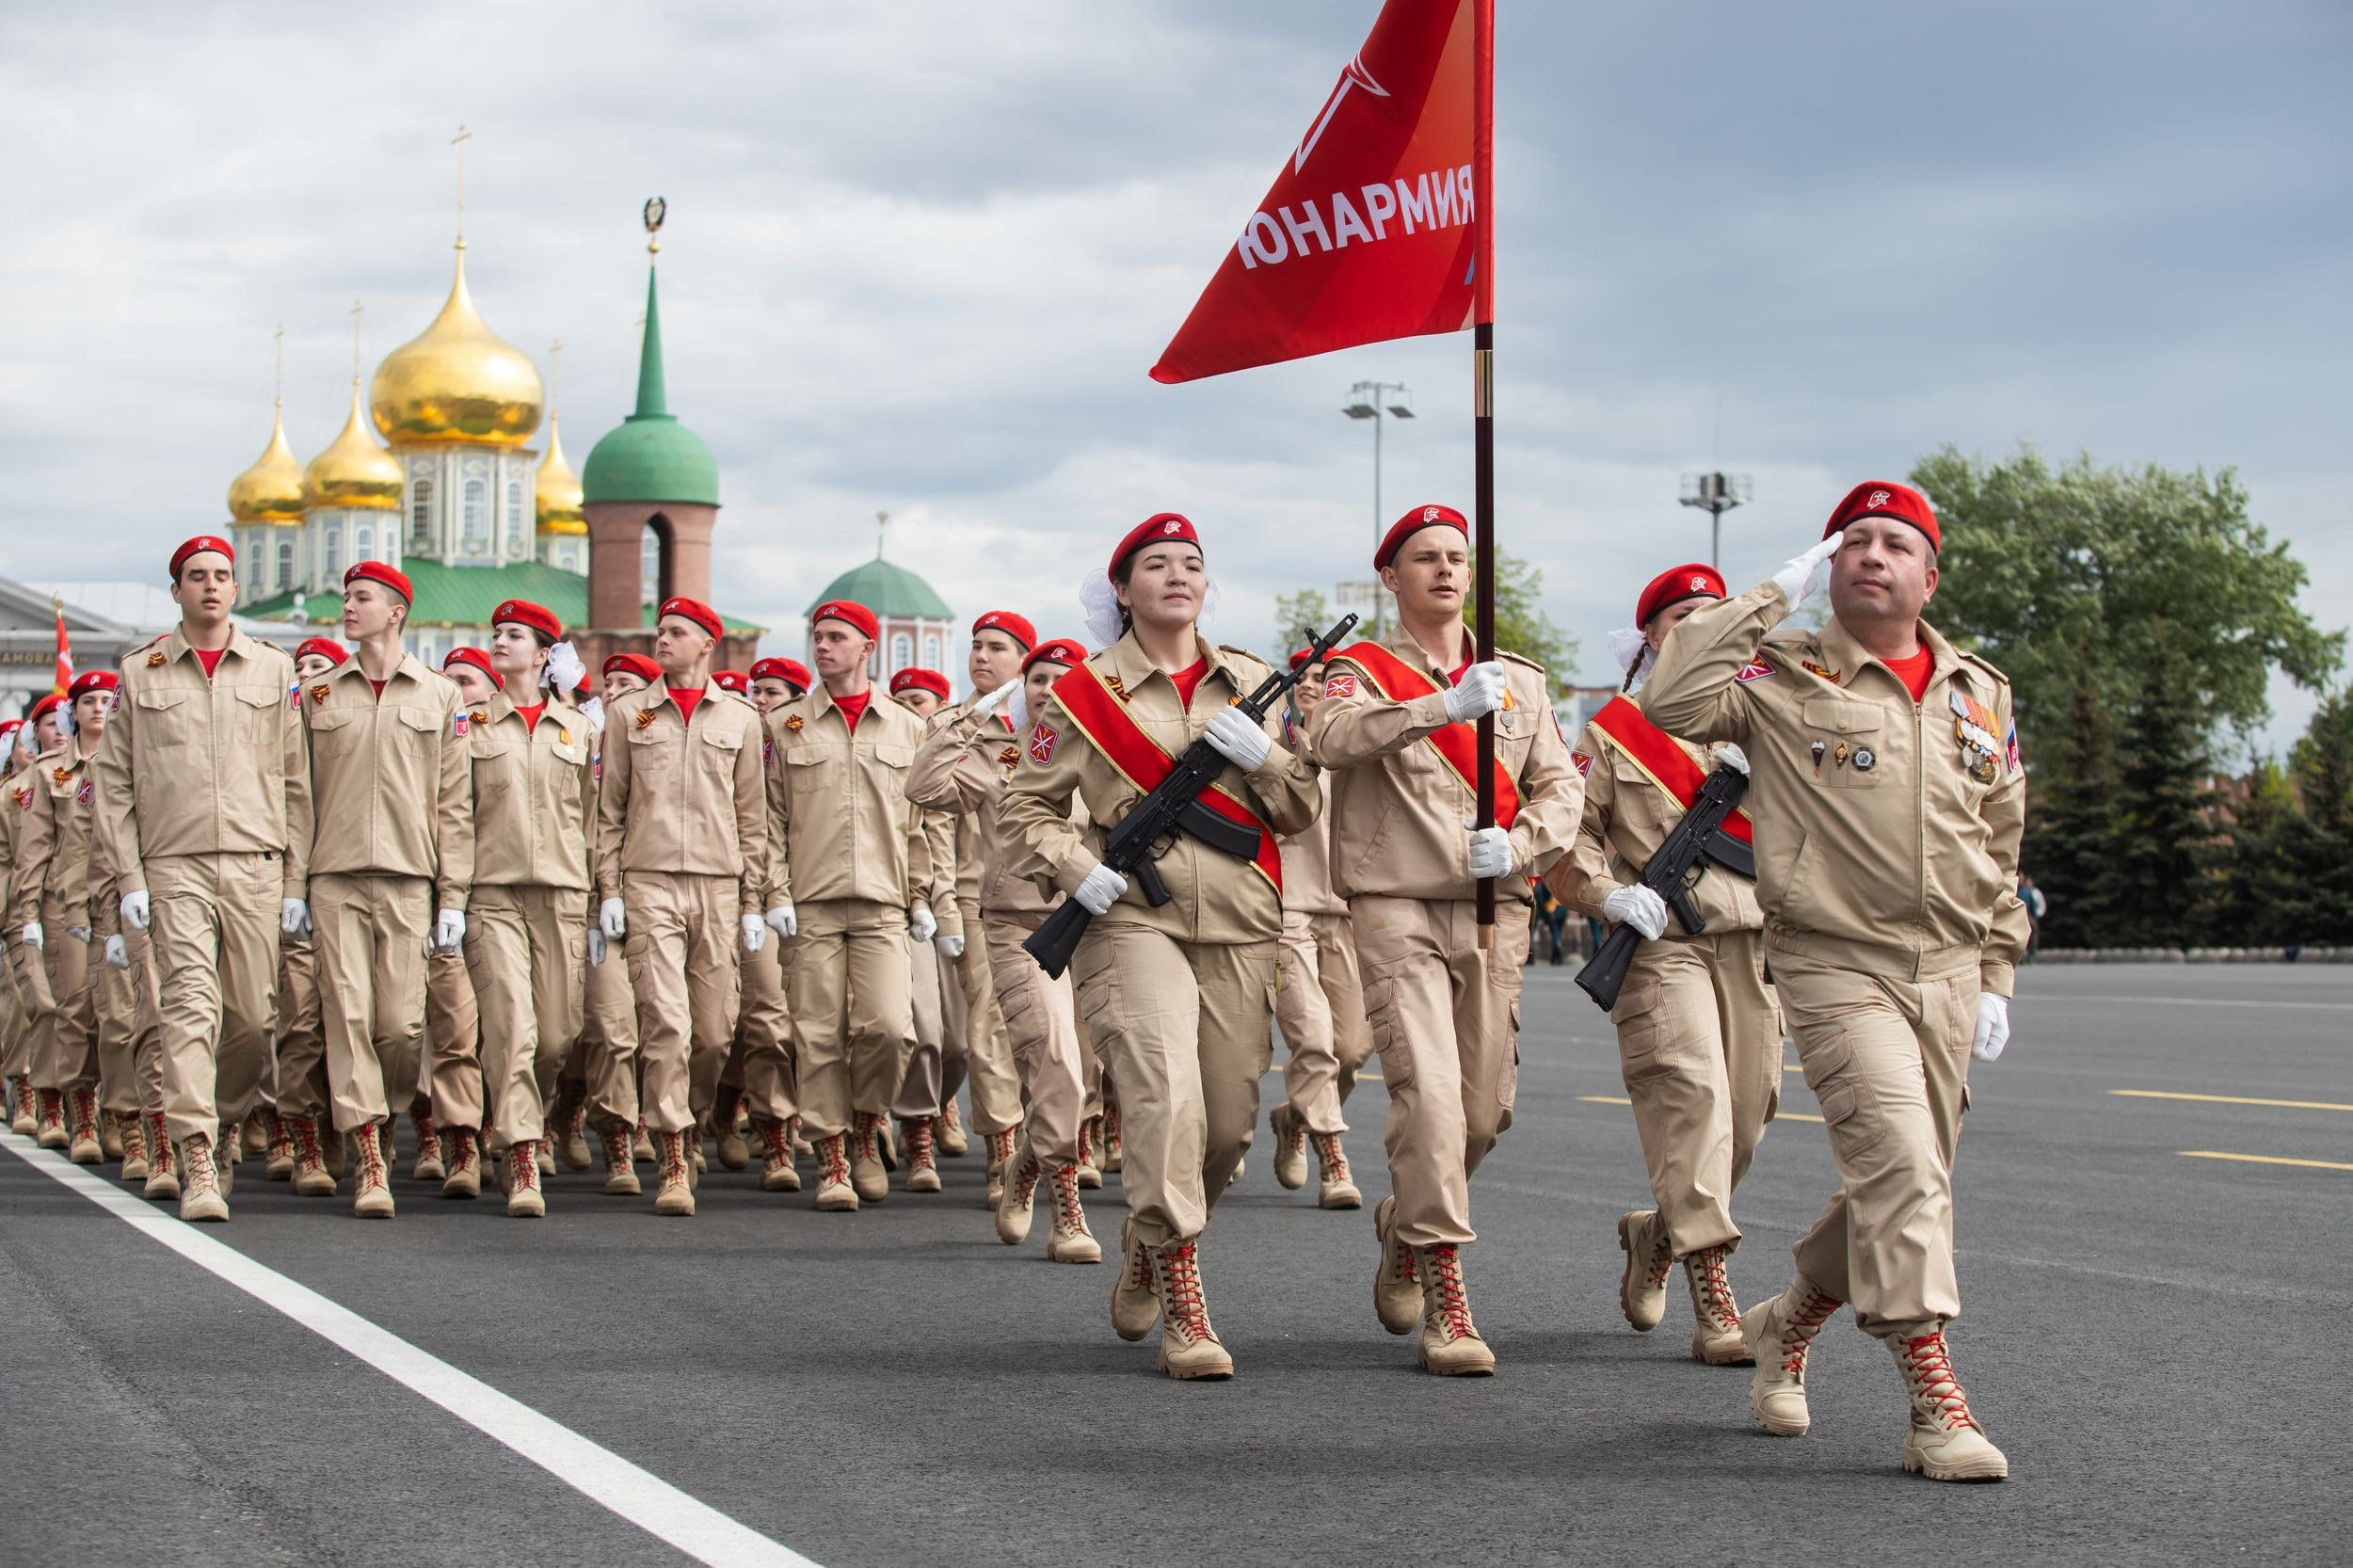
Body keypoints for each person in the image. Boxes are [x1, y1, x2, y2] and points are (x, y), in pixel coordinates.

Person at [1641, 480, 2028, 1483]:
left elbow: (1999, 837)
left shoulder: (1977, 692)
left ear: (1927, 576)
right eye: (1851, 540)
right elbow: (1668, 698)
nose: (1869, 553)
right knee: (1902, 1168)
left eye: (1894, 543)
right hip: (1833, 961)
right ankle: (1933, 1400)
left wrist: (1995, 970)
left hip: (1946, 970)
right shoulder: (1782, 673)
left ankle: (1786, 1321)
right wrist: (1769, 593)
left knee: (1902, 1180)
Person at [1001, 514, 1321, 1378]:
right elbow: (1023, 811)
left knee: (1223, 1126)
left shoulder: (1253, 681)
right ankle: (1183, 1283)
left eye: (1192, 564)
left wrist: (1266, 760)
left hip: (1244, 923)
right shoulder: (1081, 695)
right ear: (1122, 587)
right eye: (1156, 564)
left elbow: (1299, 811)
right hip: (1131, 918)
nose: (1178, 576)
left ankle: (1146, 1243)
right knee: (1163, 1095)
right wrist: (1078, 869)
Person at [1305, 504, 1584, 1376]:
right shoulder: (1356, 668)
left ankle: (1406, 1232)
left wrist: (1527, 842)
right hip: (1395, 905)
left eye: (1457, 557)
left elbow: (1561, 787)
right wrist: (1438, 707)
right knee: (1426, 1099)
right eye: (1424, 558)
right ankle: (1447, 1289)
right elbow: (1328, 738)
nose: (1444, 570)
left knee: (1480, 1112)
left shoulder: (1521, 682)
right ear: (1391, 577)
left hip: (1496, 908)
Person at [1550, 562, 1779, 1366]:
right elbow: (1566, 836)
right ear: (1649, 635)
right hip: (1662, 947)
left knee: (1743, 1123)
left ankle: (1659, 1234)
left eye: (1712, 614)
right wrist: (1608, 895)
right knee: (1695, 1102)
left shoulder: (1765, 717)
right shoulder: (1614, 730)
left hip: (1754, 942)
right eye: (1680, 616)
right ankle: (1714, 1290)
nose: (1696, 626)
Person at [94, 536, 311, 1224]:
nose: (210, 587)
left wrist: (295, 881)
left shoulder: (273, 672)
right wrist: (130, 875)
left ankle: (220, 1122)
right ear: (177, 591)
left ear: (236, 590)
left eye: (221, 576)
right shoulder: (143, 672)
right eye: (197, 577)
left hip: (254, 865)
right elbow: (114, 783)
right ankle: (193, 1153)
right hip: (173, 866)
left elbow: (295, 784)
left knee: (251, 1017)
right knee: (189, 1008)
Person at [908, 634, 1101, 1260]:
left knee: (1093, 1069)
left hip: (1101, 926)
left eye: (1062, 678)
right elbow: (925, 786)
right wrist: (974, 716)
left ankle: (1027, 1160)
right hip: (1022, 927)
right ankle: (1067, 1209)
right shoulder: (999, 753)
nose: (1050, 689)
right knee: (1055, 1060)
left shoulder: (1109, 750)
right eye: (1038, 678)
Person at [296, 562, 472, 1219]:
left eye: (361, 597)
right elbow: (298, 797)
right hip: (334, 877)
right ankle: (370, 1152)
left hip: (408, 879)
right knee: (345, 1015)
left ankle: (386, 1108)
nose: (348, 606)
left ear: (395, 611)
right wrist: (296, 885)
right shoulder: (316, 696)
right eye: (345, 596)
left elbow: (454, 803)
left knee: (398, 1027)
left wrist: (451, 896)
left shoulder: (438, 695)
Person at [597, 599, 769, 1217]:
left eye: (677, 632)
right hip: (649, 883)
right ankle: (673, 1153)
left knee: (715, 1034)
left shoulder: (742, 721)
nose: (662, 640)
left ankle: (692, 1116)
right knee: (666, 1022)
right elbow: (609, 809)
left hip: (719, 887)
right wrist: (610, 890)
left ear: (706, 644)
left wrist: (753, 900)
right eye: (661, 630)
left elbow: (754, 817)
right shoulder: (628, 713)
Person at [761, 599, 934, 1210]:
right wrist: (774, 894)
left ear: (868, 648)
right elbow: (769, 821)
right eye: (817, 637)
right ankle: (832, 1156)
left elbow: (922, 824)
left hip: (885, 903)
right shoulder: (785, 725)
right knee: (817, 1035)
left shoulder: (909, 728)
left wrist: (923, 895)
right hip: (810, 905)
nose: (823, 647)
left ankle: (868, 1123)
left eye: (837, 637)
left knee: (890, 1028)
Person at [460, 601, 596, 1218]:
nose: (500, 641)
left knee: (558, 1035)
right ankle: (519, 1149)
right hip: (492, 893)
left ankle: (530, 1112)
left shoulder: (579, 728)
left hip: (562, 895)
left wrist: (598, 897)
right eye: (496, 634)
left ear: (544, 654)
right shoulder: (469, 723)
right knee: (512, 1027)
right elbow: (453, 812)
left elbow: (593, 816)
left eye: (515, 635)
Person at [916, 615, 1033, 1205]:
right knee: (989, 1024)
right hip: (977, 895)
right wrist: (941, 903)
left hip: (1052, 896)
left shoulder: (1051, 723)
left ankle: (1061, 1141)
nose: (982, 657)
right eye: (977, 647)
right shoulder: (954, 724)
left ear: (1025, 660)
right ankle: (1004, 1149)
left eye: (997, 648)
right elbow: (929, 816)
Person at [551, 652, 661, 1195]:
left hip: (655, 896)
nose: (616, 691)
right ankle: (611, 1134)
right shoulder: (578, 734)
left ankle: (648, 1121)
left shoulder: (657, 742)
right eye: (610, 683)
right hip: (589, 900)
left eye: (629, 685)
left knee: (666, 1029)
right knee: (606, 1026)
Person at [1268, 648, 1370, 1209]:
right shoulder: (1271, 740)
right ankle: (1334, 1155)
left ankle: (1297, 1119)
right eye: (1304, 677)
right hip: (1287, 906)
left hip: (1354, 906)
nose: (1312, 685)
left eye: (1324, 678)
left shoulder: (1358, 740)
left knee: (1352, 1047)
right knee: (1311, 1038)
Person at [12, 687, 106, 1162]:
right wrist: (26, 913)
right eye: (88, 701)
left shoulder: (126, 761)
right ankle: (77, 1112)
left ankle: (122, 1114)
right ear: (75, 712)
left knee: (124, 1016)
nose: (98, 707)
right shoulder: (50, 773)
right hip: (62, 901)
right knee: (73, 1008)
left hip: (115, 897)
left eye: (107, 699)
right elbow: (31, 849)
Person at [884, 664, 963, 1194]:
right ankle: (910, 1128)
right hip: (902, 906)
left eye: (925, 700)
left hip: (958, 907)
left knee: (959, 1043)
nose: (918, 709)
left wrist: (945, 906)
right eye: (906, 700)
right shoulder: (888, 753)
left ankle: (940, 1102)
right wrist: (922, 899)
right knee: (917, 1031)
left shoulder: (959, 751)